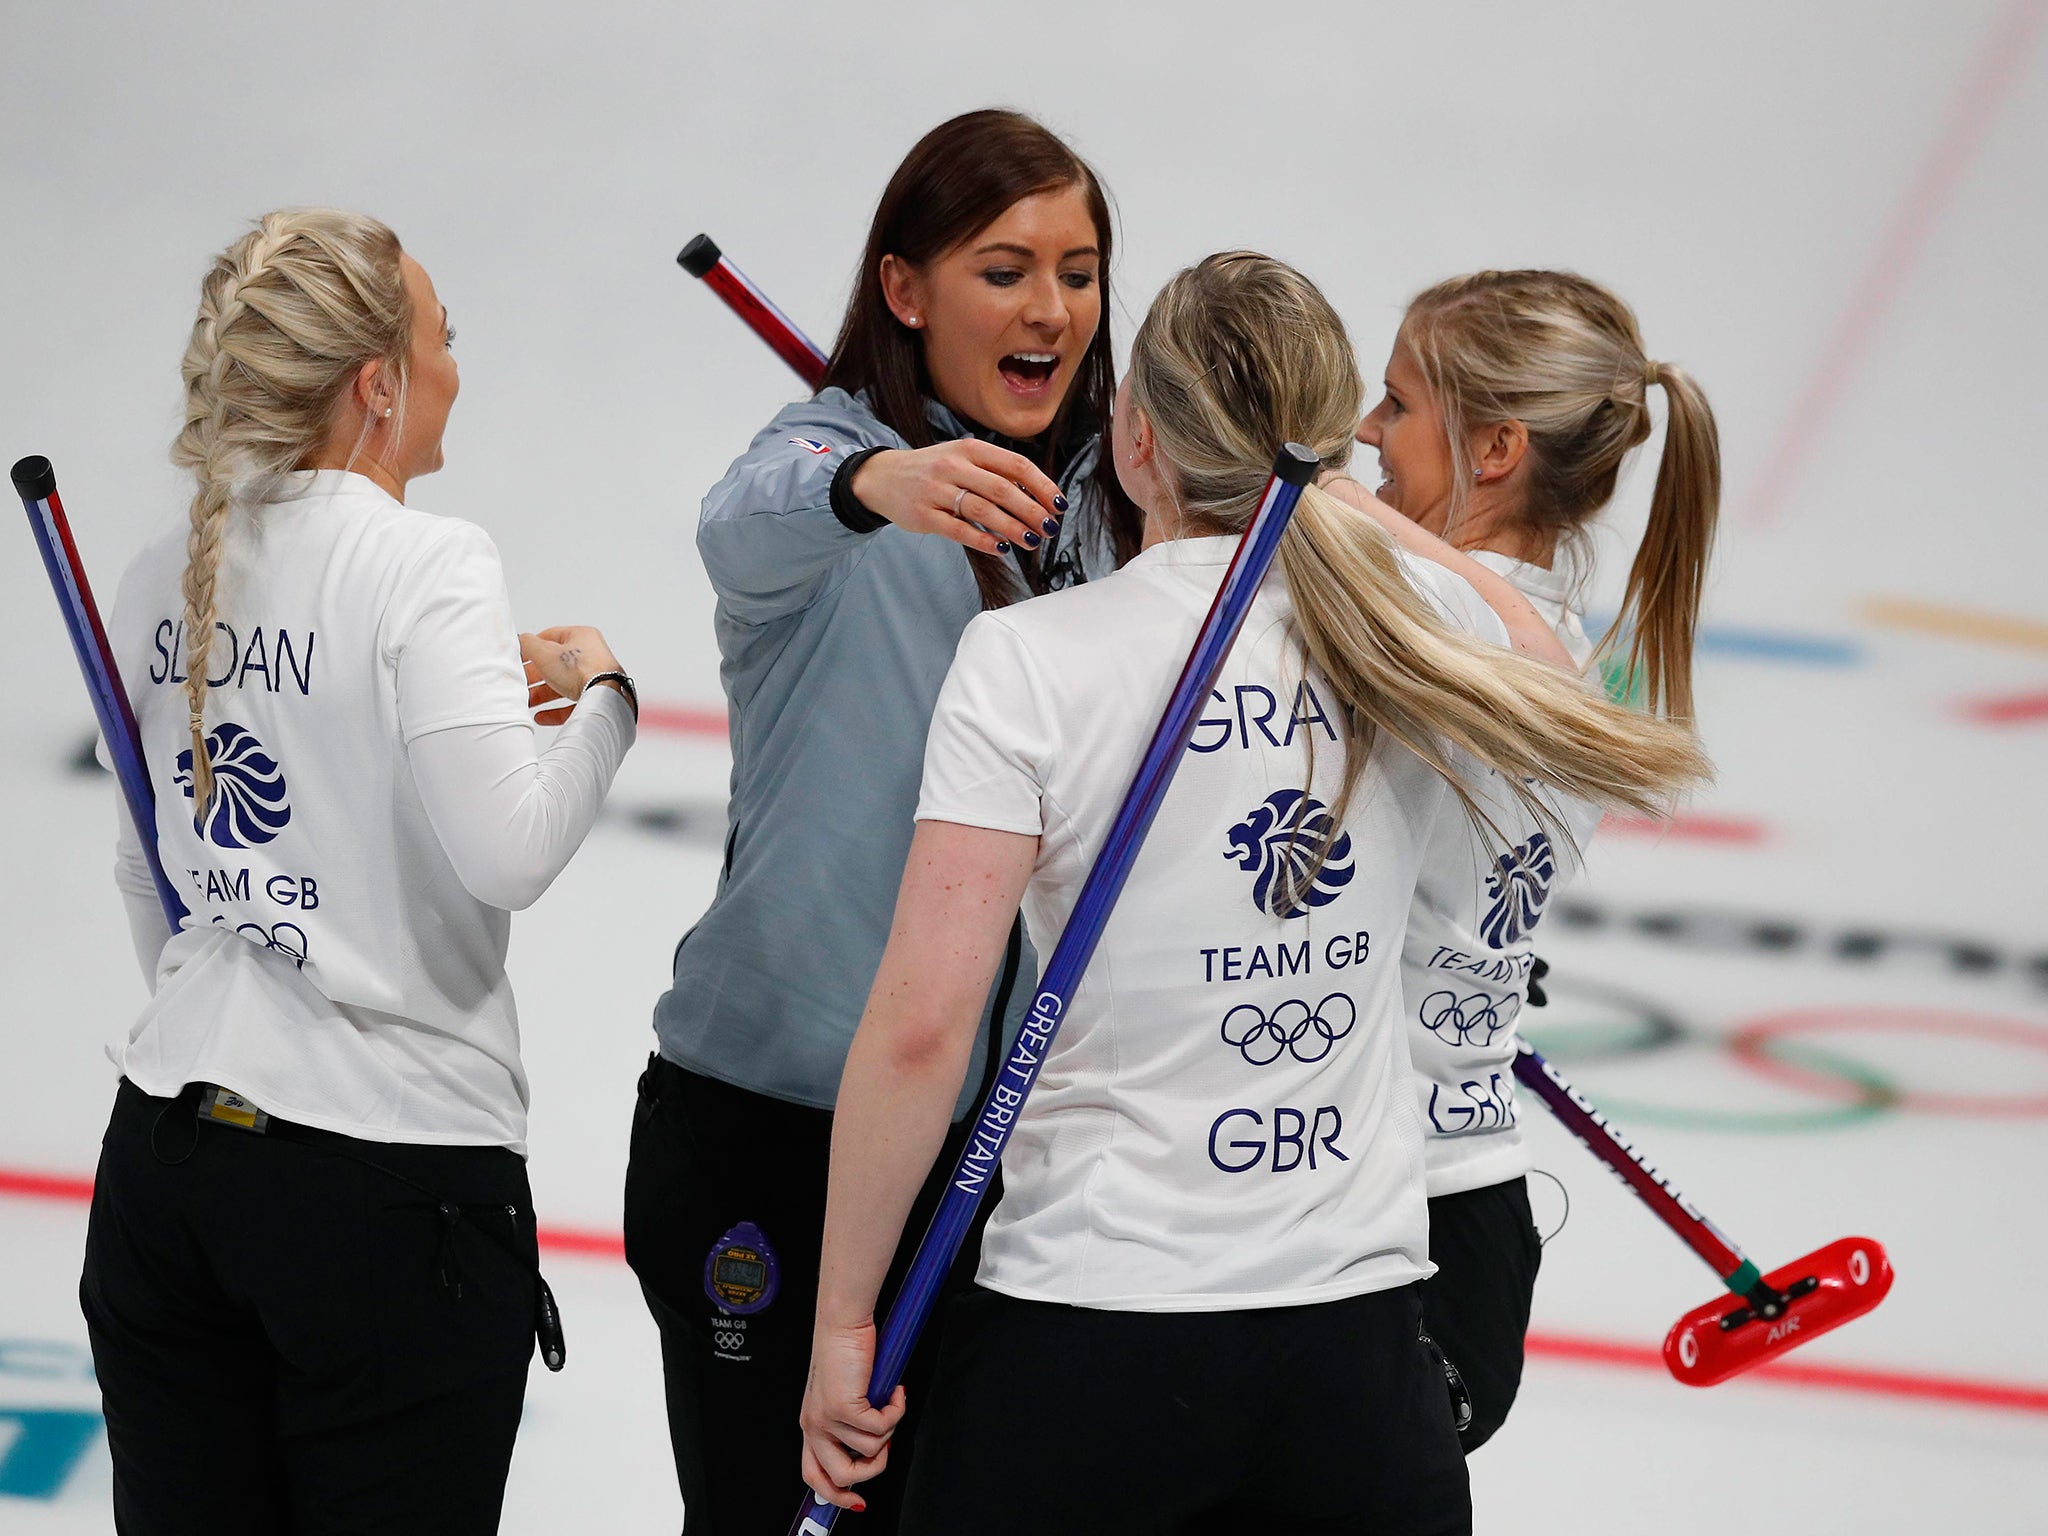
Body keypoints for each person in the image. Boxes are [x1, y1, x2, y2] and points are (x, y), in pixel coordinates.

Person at [797, 252, 1711, 1535]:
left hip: (1088, 1330)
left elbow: (921, 1028)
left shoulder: (1025, 658)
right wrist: (1332, 499)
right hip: (1348, 1366)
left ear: (1130, 437)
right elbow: (1538, 658)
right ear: (1327, 446)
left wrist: (845, 1321)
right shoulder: (1404, 630)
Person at [82, 208, 637, 1535]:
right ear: (376, 384)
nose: (457, 365)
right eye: (443, 339)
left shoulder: (165, 569)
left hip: (168, 1164)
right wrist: (605, 699)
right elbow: (509, 850)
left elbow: (145, 874)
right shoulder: (426, 561)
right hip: (386, 1191)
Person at [624, 109, 1140, 1533]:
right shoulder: (830, 462)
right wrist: (877, 486)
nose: (1052, 308)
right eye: (1006, 268)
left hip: (1005, 1159)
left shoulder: (1106, 513)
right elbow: (741, 521)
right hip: (769, 1131)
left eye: (1081, 270)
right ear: (905, 292)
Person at [1343, 269, 1721, 1449]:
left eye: (1396, 405)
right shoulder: (1561, 626)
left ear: (1494, 449)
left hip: (1357, 1218)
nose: (1364, 432)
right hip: (1471, 1211)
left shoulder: (1420, 598)